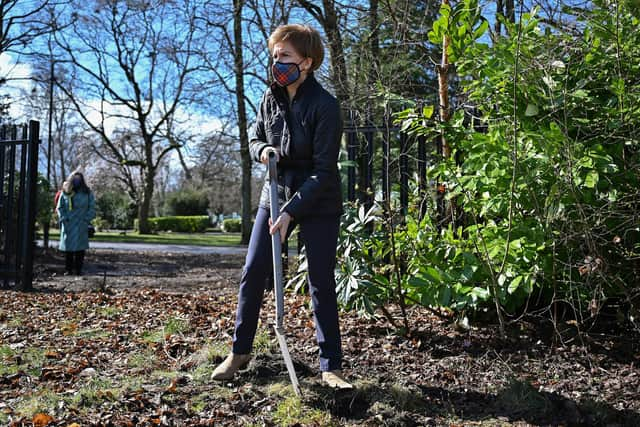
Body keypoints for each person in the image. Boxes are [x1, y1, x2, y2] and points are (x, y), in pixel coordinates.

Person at [211, 24, 351, 389]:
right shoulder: (268, 98)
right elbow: (255, 135)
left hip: (317, 199)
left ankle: (330, 366)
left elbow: (323, 171)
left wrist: (291, 211)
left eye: (285, 56)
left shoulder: (326, 106)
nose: (277, 63)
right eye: (275, 56)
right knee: (253, 270)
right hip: (274, 191)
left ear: (307, 62)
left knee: (320, 280)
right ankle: (240, 352)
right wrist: (263, 151)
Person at [56, 171, 96, 276]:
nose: (77, 181)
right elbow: (60, 207)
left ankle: (78, 270)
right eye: (75, 179)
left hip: (81, 223)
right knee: (68, 248)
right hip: (68, 223)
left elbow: (92, 208)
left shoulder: (87, 193)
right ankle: (68, 270)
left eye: (79, 179)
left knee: (80, 249)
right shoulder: (65, 192)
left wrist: (86, 219)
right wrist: (63, 218)